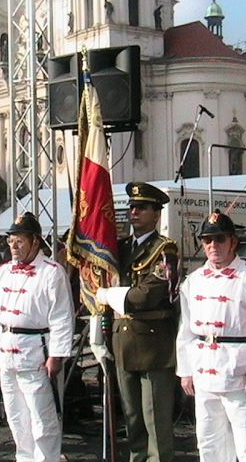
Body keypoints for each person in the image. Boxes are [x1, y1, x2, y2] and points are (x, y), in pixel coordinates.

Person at [176, 209, 246, 462]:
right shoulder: (193, 280)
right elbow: (186, 329)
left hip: (239, 373)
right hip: (204, 373)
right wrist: (186, 371)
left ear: (233, 241)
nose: (213, 246)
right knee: (209, 443)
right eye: (207, 240)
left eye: (220, 239)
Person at [96, 182, 179, 462]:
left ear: (156, 214)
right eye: (131, 207)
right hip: (122, 341)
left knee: (154, 418)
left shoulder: (164, 250)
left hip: (153, 344)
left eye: (141, 208)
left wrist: (109, 295)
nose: (134, 212)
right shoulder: (119, 250)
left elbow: (144, 296)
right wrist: (101, 332)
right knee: (132, 419)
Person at [0, 212, 74, 462]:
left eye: (20, 241)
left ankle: (47, 459)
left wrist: (56, 355)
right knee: (15, 416)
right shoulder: (1, 273)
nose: (14, 246)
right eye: (11, 241)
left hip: (35, 353)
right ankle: (24, 457)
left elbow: (62, 317)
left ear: (35, 241)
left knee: (41, 416)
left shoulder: (52, 273)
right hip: (6, 351)